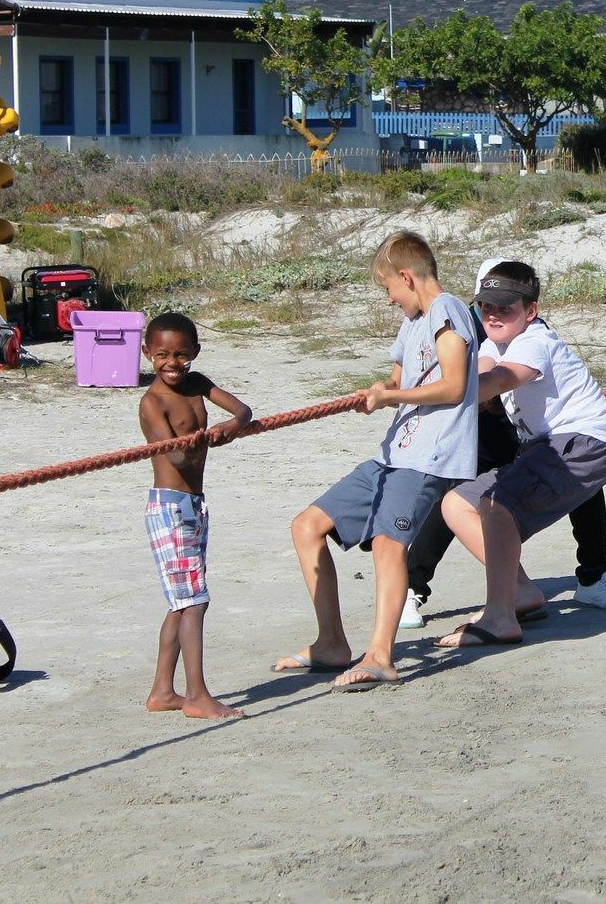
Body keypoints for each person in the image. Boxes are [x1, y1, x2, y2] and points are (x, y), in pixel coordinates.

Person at [276, 231, 479, 691]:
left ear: (406, 277)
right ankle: (331, 643)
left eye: (388, 287)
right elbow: (396, 379)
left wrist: (391, 397)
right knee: (307, 525)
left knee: (389, 543)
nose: (389, 299)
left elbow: (452, 385)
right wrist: (378, 392)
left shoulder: (448, 309)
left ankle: (381, 656)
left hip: (431, 455)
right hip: (393, 453)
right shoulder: (412, 322)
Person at [403, 259, 606, 627]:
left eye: (505, 308)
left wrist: (438, 395)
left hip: (582, 444)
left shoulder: (534, 341)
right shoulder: (497, 343)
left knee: (496, 506)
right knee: (459, 504)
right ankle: (519, 591)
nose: (493, 316)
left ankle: (508, 609)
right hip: (549, 447)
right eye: (485, 307)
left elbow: (500, 379)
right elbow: (479, 371)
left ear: (530, 311)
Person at [137, 311, 252, 720]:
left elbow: (243, 410)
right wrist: (204, 439)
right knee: (195, 601)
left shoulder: (198, 384)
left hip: (194, 507)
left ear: (195, 354)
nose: (172, 363)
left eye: (182, 355)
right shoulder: (152, 403)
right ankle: (197, 695)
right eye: (163, 355)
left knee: (181, 602)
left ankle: (162, 692)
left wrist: (231, 426)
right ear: (147, 352)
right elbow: (176, 455)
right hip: (169, 507)